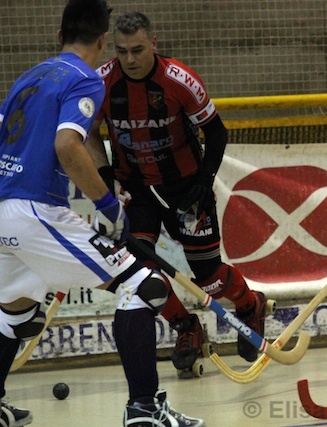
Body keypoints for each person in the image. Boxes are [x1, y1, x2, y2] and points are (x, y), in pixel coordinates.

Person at [0, 1, 204, 426]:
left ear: (59, 36)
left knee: (15, 308)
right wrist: (110, 209)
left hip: (3, 209)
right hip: (34, 209)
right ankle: (145, 410)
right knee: (144, 286)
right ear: (102, 41)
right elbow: (68, 146)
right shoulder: (85, 79)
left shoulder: (27, 77)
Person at [85, 11, 266, 369]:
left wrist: (205, 180)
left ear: (154, 43)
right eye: (122, 51)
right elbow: (90, 132)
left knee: (209, 280)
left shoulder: (179, 80)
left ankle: (250, 305)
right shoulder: (101, 82)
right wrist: (106, 179)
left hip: (185, 188)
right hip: (135, 190)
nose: (130, 59)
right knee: (139, 272)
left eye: (138, 50)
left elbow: (216, 131)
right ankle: (186, 327)